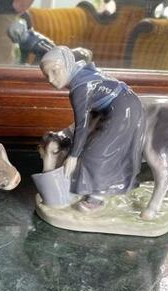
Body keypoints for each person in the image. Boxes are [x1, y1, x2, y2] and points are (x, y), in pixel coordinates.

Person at [40, 46, 145, 212]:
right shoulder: (81, 76)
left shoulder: (80, 88)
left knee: (95, 154)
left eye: (55, 71)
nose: (51, 79)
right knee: (90, 146)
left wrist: (73, 156)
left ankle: (98, 195)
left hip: (124, 109)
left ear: (67, 64)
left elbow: (81, 125)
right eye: (47, 75)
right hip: (118, 105)